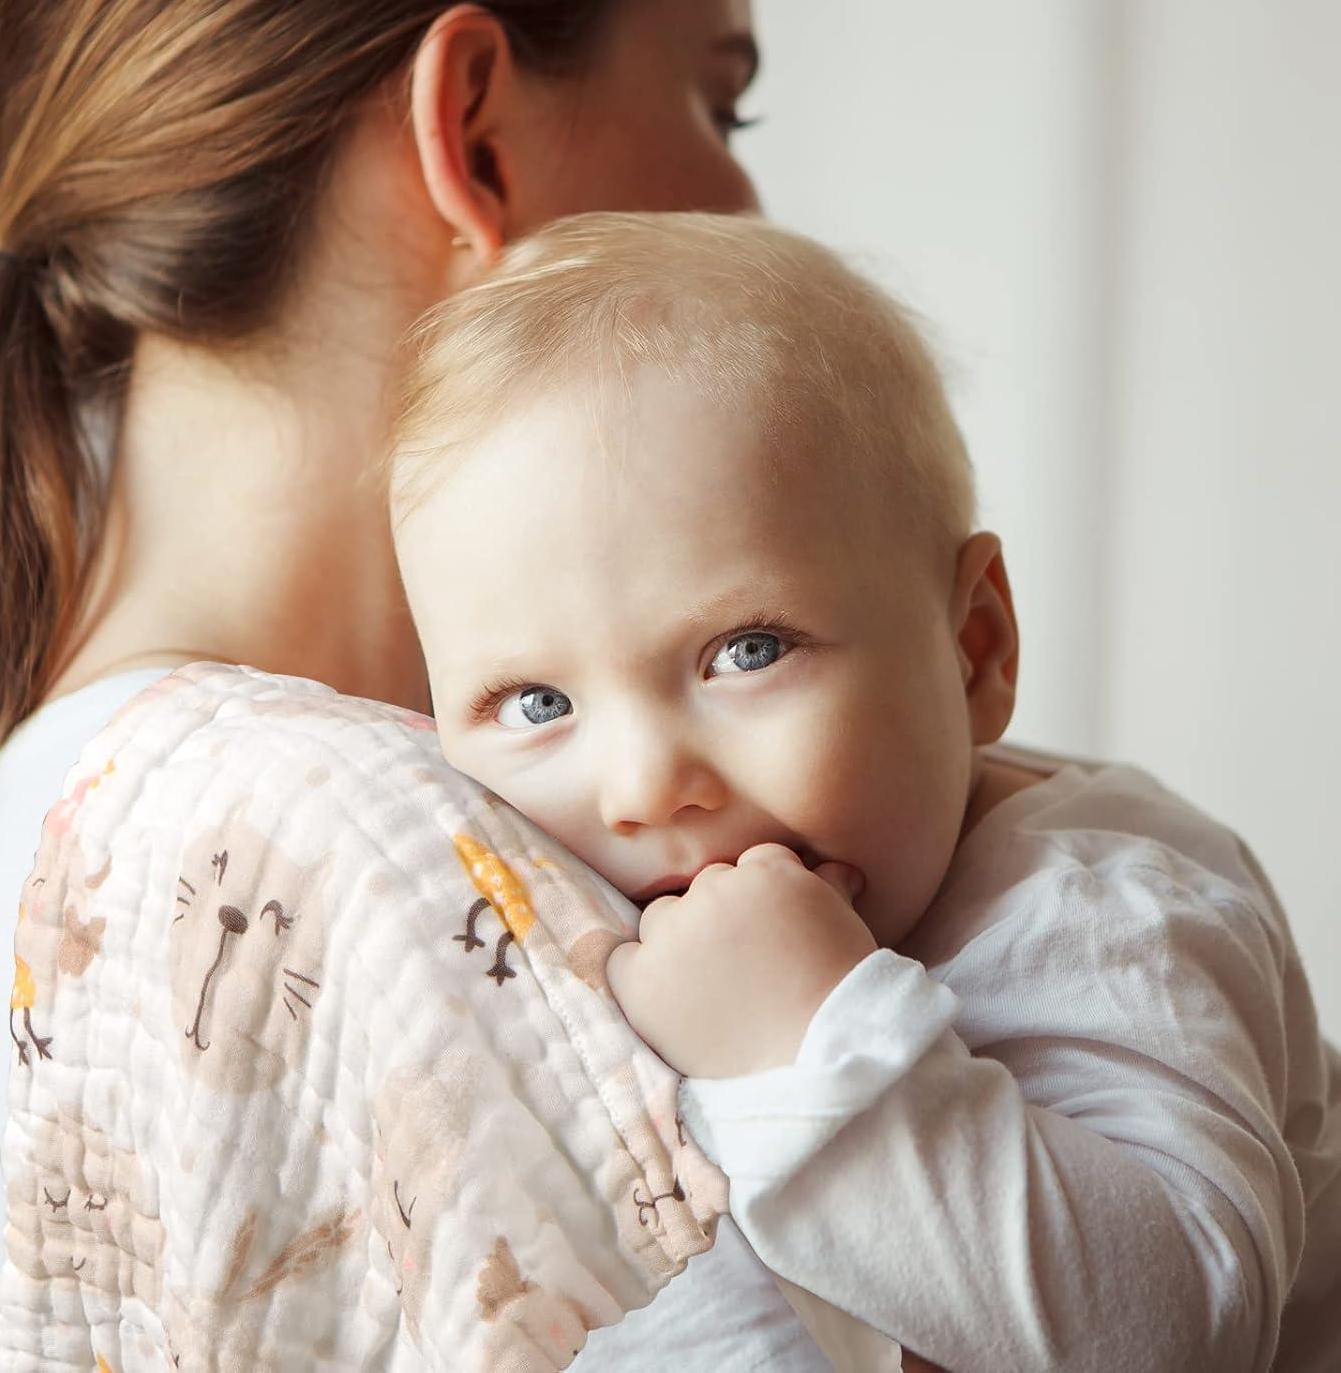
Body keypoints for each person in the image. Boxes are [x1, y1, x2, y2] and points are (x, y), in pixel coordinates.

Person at [0, 0, 840, 1370]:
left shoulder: (71, 794)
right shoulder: (370, 851)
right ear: (477, 133)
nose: (751, 209)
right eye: (718, 107)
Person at [387, 211, 1341, 1372]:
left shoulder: (1102, 911)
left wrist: (803, 1047)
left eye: (746, 651)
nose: (644, 788)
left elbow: (1179, 1327)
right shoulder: (540, 929)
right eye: (538, 703)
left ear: (975, 645)